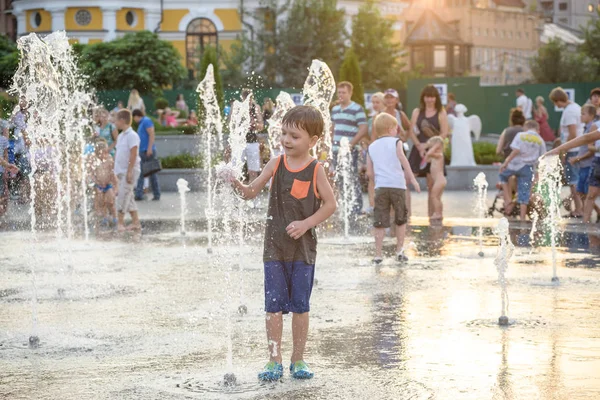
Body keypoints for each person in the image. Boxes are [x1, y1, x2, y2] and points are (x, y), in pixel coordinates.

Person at [224, 105, 336, 381]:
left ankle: (298, 359)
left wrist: (306, 223)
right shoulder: (276, 163)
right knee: (273, 305)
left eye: (294, 136)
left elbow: (331, 205)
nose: (286, 140)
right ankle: (274, 360)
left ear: (313, 141)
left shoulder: (315, 169)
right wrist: (234, 182)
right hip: (274, 247)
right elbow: (251, 192)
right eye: (284, 133)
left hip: (303, 250)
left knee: (300, 305)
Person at [367, 113, 420, 264]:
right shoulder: (397, 142)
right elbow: (404, 160)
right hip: (397, 185)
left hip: (381, 187)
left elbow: (370, 172)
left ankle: (378, 255)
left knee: (380, 221)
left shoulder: (372, 147)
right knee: (400, 219)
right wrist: (413, 179)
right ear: (391, 129)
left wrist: (377, 182)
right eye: (396, 127)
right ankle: (399, 251)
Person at [407, 84, 449, 217]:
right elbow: (412, 131)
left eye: (432, 97)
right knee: (407, 179)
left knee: (432, 185)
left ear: (436, 98)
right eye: (427, 97)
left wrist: (430, 146)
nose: (429, 100)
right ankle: (406, 213)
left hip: (434, 150)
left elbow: (444, 133)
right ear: (423, 98)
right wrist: (419, 146)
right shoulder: (417, 112)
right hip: (418, 150)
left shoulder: (441, 112)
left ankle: (432, 214)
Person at [331, 81, 368, 215]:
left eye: (343, 92)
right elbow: (332, 128)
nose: (340, 95)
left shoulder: (357, 109)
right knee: (340, 178)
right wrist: (329, 144)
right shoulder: (335, 109)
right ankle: (346, 207)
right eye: (339, 92)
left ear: (350, 93)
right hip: (336, 150)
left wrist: (351, 144)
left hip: (350, 150)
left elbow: (363, 129)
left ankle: (356, 208)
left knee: (352, 177)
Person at [499, 120, 546, 220]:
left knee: (503, 176)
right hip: (527, 168)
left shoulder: (520, 135)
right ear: (538, 129)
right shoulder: (540, 140)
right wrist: (537, 174)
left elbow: (516, 150)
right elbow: (542, 158)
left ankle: (508, 200)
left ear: (525, 127)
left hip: (515, 165)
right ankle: (522, 218)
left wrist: (506, 163)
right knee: (524, 194)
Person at [550, 87, 584, 217]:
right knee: (575, 180)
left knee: (573, 181)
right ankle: (578, 207)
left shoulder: (569, 111)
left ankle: (579, 209)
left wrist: (563, 151)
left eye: (555, 102)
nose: (555, 105)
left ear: (558, 100)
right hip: (576, 149)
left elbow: (572, 134)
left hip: (572, 150)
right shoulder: (575, 107)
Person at [568, 104, 600, 223]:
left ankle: (587, 218)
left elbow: (590, 150)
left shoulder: (593, 127)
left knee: (587, 192)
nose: (581, 116)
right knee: (582, 191)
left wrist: (578, 158)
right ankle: (594, 212)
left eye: (583, 114)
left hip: (589, 164)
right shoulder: (586, 127)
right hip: (584, 164)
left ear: (591, 115)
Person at [113, 109, 142, 233]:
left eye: (116, 120)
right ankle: (136, 223)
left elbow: (133, 154)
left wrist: (129, 171)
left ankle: (120, 223)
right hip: (121, 171)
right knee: (129, 197)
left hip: (128, 171)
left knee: (123, 197)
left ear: (122, 120)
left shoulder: (132, 135)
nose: (114, 122)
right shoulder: (121, 136)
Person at [131, 109, 160, 201]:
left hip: (147, 151)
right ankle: (139, 194)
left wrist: (149, 148)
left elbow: (151, 134)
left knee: (152, 174)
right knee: (142, 173)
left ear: (136, 116)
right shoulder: (142, 123)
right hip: (143, 151)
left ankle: (156, 194)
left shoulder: (146, 121)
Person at [9, 97, 31, 204]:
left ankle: (25, 195)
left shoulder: (28, 114)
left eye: (24, 100)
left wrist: (27, 138)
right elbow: (12, 124)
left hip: (25, 150)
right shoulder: (18, 113)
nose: (22, 102)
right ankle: (22, 194)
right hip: (19, 149)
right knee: (20, 173)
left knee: (25, 174)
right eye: (21, 100)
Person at [92, 139, 117, 228]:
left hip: (108, 184)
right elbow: (92, 174)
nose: (103, 155)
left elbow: (113, 173)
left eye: (105, 153)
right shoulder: (95, 161)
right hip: (99, 185)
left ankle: (115, 218)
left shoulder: (109, 160)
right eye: (101, 153)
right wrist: (96, 182)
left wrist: (115, 186)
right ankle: (105, 218)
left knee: (110, 202)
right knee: (102, 202)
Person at [241, 89, 265, 184]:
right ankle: (237, 191)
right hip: (240, 142)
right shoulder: (238, 108)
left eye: (249, 97)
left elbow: (261, 126)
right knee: (236, 169)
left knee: (253, 170)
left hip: (252, 142)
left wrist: (253, 124)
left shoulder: (256, 107)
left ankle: (252, 190)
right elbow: (231, 123)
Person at [424, 136, 447, 220]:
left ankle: (437, 213)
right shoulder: (434, 156)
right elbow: (426, 159)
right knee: (437, 197)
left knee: (433, 196)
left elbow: (429, 153)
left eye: (432, 146)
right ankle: (439, 213)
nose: (431, 148)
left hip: (439, 180)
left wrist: (435, 146)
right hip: (439, 181)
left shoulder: (439, 155)